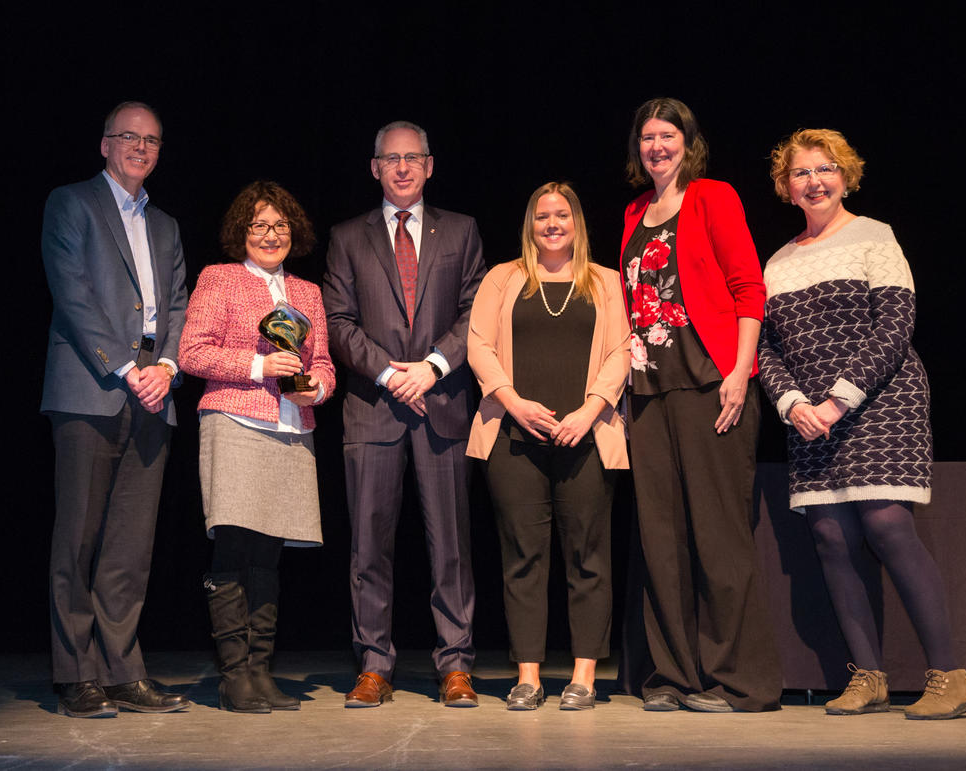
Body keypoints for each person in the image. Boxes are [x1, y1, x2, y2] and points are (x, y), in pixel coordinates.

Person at [760, 128, 966, 720]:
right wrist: (792, 404)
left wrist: (837, 400)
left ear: (845, 175)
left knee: (887, 526)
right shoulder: (777, 262)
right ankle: (869, 677)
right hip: (811, 420)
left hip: (882, 402)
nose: (814, 181)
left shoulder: (874, 236)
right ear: (786, 186)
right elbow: (766, 351)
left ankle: (949, 678)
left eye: (825, 168)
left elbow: (894, 327)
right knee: (830, 537)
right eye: (801, 173)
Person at [619, 97, 782, 712]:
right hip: (649, 393)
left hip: (712, 384)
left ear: (688, 141)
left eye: (668, 135)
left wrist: (742, 372)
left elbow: (747, 287)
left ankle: (740, 682)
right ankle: (675, 677)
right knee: (662, 539)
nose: (657, 146)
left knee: (718, 536)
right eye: (647, 138)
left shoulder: (714, 196)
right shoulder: (635, 210)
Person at [322, 121, 487, 708]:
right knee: (370, 546)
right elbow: (337, 322)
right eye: (390, 159)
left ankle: (456, 664)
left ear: (430, 165)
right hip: (373, 408)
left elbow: (476, 312)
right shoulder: (347, 236)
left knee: (452, 545)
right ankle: (373, 664)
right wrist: (394, 373)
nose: (401, 168)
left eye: (412, 157)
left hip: (442, 405)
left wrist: (433, 367)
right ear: (374, 168)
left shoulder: (462, 231)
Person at [41, 101, 189, 718]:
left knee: (132, 545)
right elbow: (71, 293)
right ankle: (77, 675)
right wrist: (129, 369)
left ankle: (124, 671)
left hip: (154, 390)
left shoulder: (167, 225)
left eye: (151, 139)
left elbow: (179, 304)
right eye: (129, 137)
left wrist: (167, 369)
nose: (140, 147)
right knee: (78, 537)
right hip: (91, 388)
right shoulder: (70, 203)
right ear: (105, 144)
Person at [467, 182, 631, 710]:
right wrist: (513, 402)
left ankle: (583, 674)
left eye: (562, 215)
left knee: (588, 557)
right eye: (543, 216)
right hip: (514, 438)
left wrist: (590, 411)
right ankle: (529, 676)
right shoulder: (503, 278)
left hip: (586, 437)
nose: (552, 224)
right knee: (522, 558)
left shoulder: (605, 282)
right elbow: (478, 345)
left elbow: (622, 350)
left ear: (578, 222)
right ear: (530, 224)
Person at [179, 181, 335, 713]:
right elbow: (192, 351)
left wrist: (319, 385)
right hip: (235, 421)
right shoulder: (219, 279)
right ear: (240, 232)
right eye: (259, 225)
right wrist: (259, 367)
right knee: (235, 548)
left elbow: (325, 363)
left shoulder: (309, 292)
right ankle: (233, 674)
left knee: (269, 554)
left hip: (293, 428)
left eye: (280, 226)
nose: (271, 235)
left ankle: (260, 671)